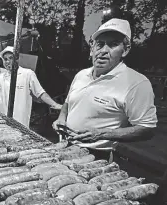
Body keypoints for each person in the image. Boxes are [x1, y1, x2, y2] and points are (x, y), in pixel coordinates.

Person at [52, 18, 157, 160]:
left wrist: (102, 134)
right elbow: (68, 102)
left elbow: (147, 129)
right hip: (64, 144)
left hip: (95, 156)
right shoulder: (81, 75)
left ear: (125, 50)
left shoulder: (136, 83)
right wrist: (61, 118)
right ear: (92, 49)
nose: (103, 51)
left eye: (113, 45)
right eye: (100, 44)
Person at [0, 46, 62, 127]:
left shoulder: (27, 74)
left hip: (21, 120)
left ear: (17, 59)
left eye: (11, 58)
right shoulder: (2, 77)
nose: (8, 61)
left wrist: (54, 104)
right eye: (5, 59)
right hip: (6, 121)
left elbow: (40, 93)